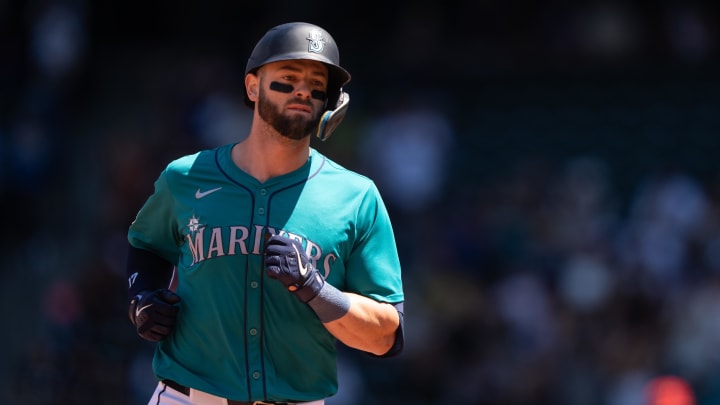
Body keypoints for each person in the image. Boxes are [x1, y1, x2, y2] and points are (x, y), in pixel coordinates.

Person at [125, 22, 405, 405]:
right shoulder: (186, 177)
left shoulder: (356, 196)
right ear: (253, 86)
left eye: (315, 83)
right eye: (288, 77)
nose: (303, 90)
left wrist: (318, 291)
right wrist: (141, 297)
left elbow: (385, 334)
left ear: (331, 101)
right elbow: (146, 245)